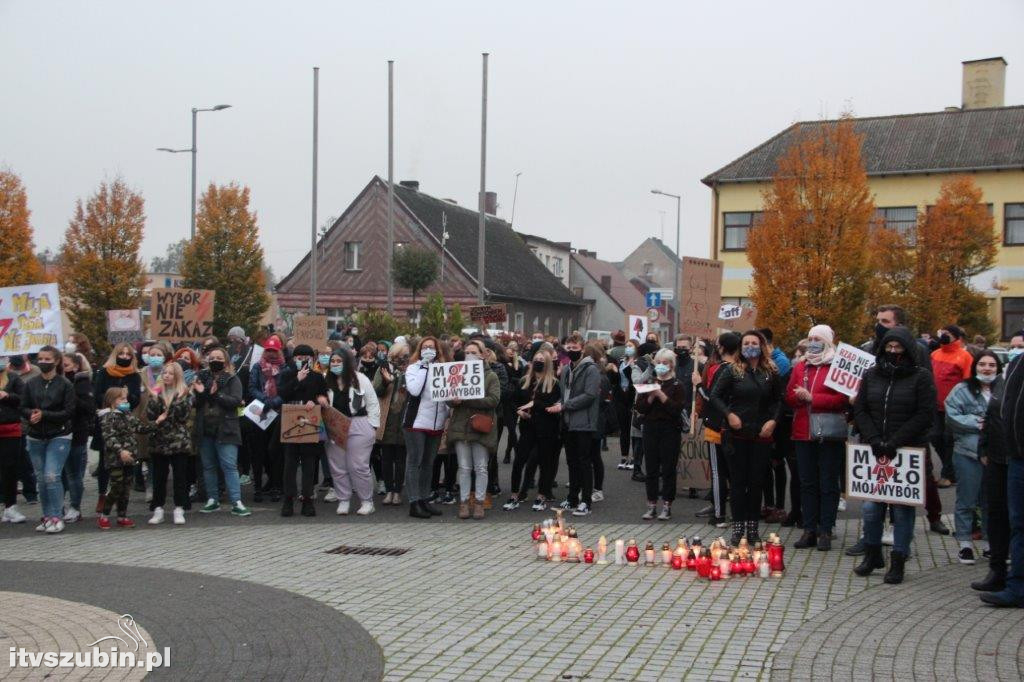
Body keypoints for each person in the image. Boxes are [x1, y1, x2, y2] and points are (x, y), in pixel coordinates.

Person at [853, 326, 936, 584]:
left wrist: (895, 441)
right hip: (875, 450)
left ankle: (899, 557)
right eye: (888, 347)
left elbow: (925, 414)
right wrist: (875, 439)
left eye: (898, 347)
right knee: (871, 508)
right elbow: (861, 409)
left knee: (901, 510)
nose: (892, 352)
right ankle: (872, 553)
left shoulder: (921, 377)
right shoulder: (871, 375)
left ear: (908, 350)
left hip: (906, 450)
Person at [710, 330, 783, 545]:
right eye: (746, 343)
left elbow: (779, 399)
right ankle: (738, 527)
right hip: (737, 434)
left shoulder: (771, 371)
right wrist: (729, 414)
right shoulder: (732, 370)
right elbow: (715, 395)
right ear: (741, 347)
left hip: (761, 433)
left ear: (761, 346)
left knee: (756, 481)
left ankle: (753, 527)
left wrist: (773, 421)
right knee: (739, 482)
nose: (750, 346)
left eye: (754, 342)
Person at [785, 325, 848, 551]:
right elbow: (790, 395)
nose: (812, 342)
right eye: (810, 338)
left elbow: (842, 399)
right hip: (803, 432)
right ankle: (809, 529)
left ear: (828, 341)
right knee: (807, 482)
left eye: (817, 339)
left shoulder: (837, 366)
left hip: (829, 434)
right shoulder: (801, 366)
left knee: (828, 483)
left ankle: (826, 529)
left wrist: (813, 398)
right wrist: (798, 397)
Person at [945, 351, 1003, 564]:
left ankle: (990, 544)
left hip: (996, 455)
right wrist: (979, 423)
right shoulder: (962, 389)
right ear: (975, 367)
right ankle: (965, 544)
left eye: (991, 365)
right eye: (982, 364)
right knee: (966, 500)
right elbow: (952, 416)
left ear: (998, 368)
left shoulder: (1003, 390)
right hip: (967, 453)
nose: (987, 369)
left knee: (991, 502)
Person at [20, 346, 76, 533]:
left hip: (59, 435)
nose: (43, 362)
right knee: (41, 479)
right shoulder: (31, 384)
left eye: (47, 359)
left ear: (56, 361)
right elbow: (23, 406)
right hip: (35, 436)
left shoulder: (65, 384)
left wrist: (44, 414)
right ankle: (46, 517)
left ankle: (56, 516)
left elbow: (68, 412)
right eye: (40, 358)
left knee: (52, 476)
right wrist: (31, 414)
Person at [193, 346, 251, 517]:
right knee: (208, 466)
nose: (215, 361)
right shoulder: (201, 378)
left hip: (226, 429)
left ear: (226, 361)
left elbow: (235, 401)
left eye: (219, 358)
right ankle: (213, 499)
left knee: (229, 466)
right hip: (205, 429)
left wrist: (216, 394)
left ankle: (236, 501)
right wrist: (202, 393)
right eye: (212, 358)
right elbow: (195, 402)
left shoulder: (233, 379)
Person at [447, 339, 500, 519]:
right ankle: (463, 502)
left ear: (482, 355)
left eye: (473, 353)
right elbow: (448, 396)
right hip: (461, 427)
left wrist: (468, 399)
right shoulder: (458, 373)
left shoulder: (491, 376)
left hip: (480, 427)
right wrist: (453, 400)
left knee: (481, 467)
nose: (469, 356)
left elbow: (493, 400)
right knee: (463, 467)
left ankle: (478, 502)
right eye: (467, 353)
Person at [504, 348, 562, 511]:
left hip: (546, 428)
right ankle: (514, 495)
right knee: (519, 461)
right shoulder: (524, 381)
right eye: (536, 359)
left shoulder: (554, 384)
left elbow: (552, 406)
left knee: (545, 463)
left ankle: (541, 496)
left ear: (548, 364)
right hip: (527, 428)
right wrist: (519, 411)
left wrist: (535, 404)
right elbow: (513, 401)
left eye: (542, 360)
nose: (538, 362)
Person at [325, 347, 380, 516]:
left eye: (339, 361)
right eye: (333, 361)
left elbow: (372, 402)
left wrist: (372, 425)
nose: (335, 364)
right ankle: (343, 499)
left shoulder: (360, 379)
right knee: (338, 466)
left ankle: (367, 501)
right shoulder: (325, 381)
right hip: (335, 425)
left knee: (359, 466)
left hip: (359, 423)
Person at [276, 344, 328, 517]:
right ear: (294, 359)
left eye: (306, 358)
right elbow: (282, 393)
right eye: (299, 358)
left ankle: (307, 500)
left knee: (309, 464)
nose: (303, 361)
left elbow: (323, 396)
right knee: (289, 464)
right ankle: (288, 500)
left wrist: (317, 401)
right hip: (290, 424)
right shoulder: (287, 374)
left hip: (310, 423)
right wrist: (297, 379)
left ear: (312, 359)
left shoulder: (317, 377)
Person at [696, 333, 741, 528]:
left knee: (717, 472)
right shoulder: (742, 369)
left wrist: (698, 384)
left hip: (716, 427)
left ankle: (719, 514)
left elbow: (710, 397)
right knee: (734, 473)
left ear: (722, 348)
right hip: (735, 427)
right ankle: (740, 514)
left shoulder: (718, 369)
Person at [636, 348, 686, 521]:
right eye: (658, 362)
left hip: (670, 429)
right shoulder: (649, 382)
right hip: (650, 428)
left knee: (668, 469)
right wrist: (650, 396)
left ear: (671, 365)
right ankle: (651, 505)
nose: (661, 366)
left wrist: (660, 395)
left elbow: (676, 409)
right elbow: (640, 407)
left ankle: (667, 505)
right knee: (651, 468)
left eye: (665, 363)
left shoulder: (678, 385)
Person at [92, 342, 142, 514]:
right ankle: (102, 495)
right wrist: (112, 398)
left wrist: (129, 397)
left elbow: (137, 399)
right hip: (107, 418)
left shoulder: (135, 375)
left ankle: (121, 502)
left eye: (128, 355)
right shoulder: (104, 372)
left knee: (126, 463)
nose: (125, 357)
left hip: (125, 422)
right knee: (104, 462)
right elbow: (97, 394)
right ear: (115, 355)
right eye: (122, 354)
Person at [555, 334, 601, 517]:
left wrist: (565, 405)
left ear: (582, 348)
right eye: (569, 348)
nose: (571, 351)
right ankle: (572, 496)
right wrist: (560, 405)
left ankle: (586, 501)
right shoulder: (566, 369)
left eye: (575, 348)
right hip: (567, 422)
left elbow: (590, 395)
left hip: (584, 423)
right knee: (572, 462)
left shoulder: (591, 369)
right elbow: (562, 392)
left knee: (584, 462)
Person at [404, 336, 451, 519]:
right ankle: (414, 502)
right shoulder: (413, 368)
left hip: (436, 422)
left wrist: (448, 411)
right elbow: (415, 390)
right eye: (425, 348)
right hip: (416, 422)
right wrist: (423, 366)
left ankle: (424, 499)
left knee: (428, 463)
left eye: (432, 347)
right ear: (420, 350)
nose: (428, 350)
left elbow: (446, 394)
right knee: (414, 462)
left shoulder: (443, 369)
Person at [141, 362, 193, 525]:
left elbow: (184, 416)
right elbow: (150, 415)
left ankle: (179, 508)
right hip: (159, 440)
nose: (166, 376)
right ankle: (158, 509)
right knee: (159, 477)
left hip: (179, 441)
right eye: (164, 373)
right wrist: (155, 398)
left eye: (170, 373)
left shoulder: (184, 393)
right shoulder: (156, 392)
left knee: (180, 477)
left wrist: (176, 401)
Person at [932, 325, 975, 488]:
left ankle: (947, 474)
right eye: (941, 333)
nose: (942, 336)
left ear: (956, 337)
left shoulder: (965, 357)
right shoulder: (934, 354)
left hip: (954, 408)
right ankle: (951, 469)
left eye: (947, 334)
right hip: (935, 406)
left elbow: (967, 383)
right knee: (935, 437)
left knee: (948, 440)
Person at [97, 386, 142, 529]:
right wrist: (121, 451)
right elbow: (109, 437)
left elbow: (140, 427)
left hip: (129, 457)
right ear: (112, 400)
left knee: (126, 487)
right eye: (122, 398)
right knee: (116, 485)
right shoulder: (108, 416)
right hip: (115, 459)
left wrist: (158, 422)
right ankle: (104, 514)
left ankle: (122, 515)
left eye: (126, 398)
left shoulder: (127, 414)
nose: (125, 401)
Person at [248, 335, 286, 502]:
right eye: (268, 350)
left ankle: (276, 486)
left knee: (275, 452)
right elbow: (252, 387)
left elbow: (286, 389)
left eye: (274, 350)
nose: (271, 354)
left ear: (279, 351)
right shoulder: (257, 367)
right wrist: (265, 401)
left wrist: (275, 402)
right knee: (258, 452)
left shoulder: (285, 369)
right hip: (260, 413)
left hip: (278, 413)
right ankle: (257, 488)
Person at [60, 352, 95, 523]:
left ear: (75, 366)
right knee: (57, 474)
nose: (62, 368)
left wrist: (70, 394)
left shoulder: (82, 382)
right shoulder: (54, 381)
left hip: (76, 434)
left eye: (65, 365)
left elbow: (88, 407)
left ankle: (75, 507)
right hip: (56, 433)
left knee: (74, 474)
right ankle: (57, 507)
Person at [373, 343, 410, 505]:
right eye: (396, 357)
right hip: (387, 418)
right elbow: (377, 391)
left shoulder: (411, 370)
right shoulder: (383, 369)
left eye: (403, 357)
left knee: (401, 459)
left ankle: (397, 492)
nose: (400, 360)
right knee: (386, 458)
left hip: (404, 417)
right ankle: (388, 490)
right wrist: (387, 382)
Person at [0, 355, 27, 523]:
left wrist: (7, 396)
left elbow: (23, 400)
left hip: (10, 429)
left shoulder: (13, 378)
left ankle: (10, 506)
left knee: (9, 467)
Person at [613, 339, 641, 471]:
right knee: (623, 429)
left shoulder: (638, 362)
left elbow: (633, 379)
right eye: (627, 346)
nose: (628, 348)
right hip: (620, 398)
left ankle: (635, 458)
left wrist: (630, 367)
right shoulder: (620, 361)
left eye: (631, 346)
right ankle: (624, 456)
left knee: (633, 429)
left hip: (631, 398)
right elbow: (616, 379)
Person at [500, 341, 526, 464]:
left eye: (513, 351)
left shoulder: (520, 364)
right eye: (508, 352)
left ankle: (508, 451)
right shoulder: (503, 365)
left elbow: (522, 380)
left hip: (518, 399)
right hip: (507, 401)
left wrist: (515, 379)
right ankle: (517, 452)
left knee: (513, 429)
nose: (510, 353)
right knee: (511, 429)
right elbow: (507, 379)